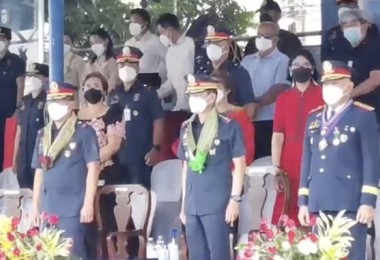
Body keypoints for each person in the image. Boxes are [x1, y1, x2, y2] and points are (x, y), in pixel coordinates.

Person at [298, 60, 380, 260]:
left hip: (350, 202)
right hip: (320, 201)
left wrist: (367, 202)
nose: (329, 89)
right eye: (326, 84)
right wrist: (303, 202)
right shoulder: (314, 118)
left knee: (349, 255)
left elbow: (372, 162)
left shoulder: (362, 115)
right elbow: (307, 161)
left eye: (335, 84)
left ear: (349, 86)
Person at [178, 74, 246, 260]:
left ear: (211, 97)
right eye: (190, 95)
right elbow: (185, 168)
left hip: (217, 202)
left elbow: (240, 165)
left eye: (197, 95)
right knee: (197, 255)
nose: (193, 100)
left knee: (218, 253)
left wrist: (234, 200)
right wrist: (184, 205)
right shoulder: (186, 127)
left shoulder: (229, 126)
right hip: (193, 202)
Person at [31, 81, 100, 259]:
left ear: (71, 105)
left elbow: (93, 168)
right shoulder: (43, 135)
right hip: (49, 207)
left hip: (73, 209)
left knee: (73, 255)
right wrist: (35, 206)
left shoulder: (84, 131)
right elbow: (39, 172)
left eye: (59, 102)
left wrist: (88, 203)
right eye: (51, 102)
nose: (54, 107)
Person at [271, 50, 323, 225]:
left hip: (317, 159)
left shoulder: (324, 94)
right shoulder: (283, 99)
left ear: (313, 68)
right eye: (296, 65)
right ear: (290, 69)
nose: (301, 68)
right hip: (289, 163)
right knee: (287, 210)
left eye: (306, 65)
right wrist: (276, 169)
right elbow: (277, 137)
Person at [77, 72, 126, 258]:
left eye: (97, 85)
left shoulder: (113, 112)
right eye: (88, 85)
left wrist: (91, 163)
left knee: (105, 222)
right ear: (82, 90)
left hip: (106, 172)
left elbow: (113, 145)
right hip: (78, 175)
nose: (92, 88)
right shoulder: (74, 115)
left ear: (104, 91)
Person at [107, 46, 164, 188]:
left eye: (130, 64)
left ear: (138, 67)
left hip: (141, 154)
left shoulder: (148, 94)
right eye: (122, 64)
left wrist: (156, 148)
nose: (126, 67)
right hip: (116, 156)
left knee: (140, 193)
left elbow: (159, 120)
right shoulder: (113, 95)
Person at [322, 9, 380, 123]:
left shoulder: (375, 48)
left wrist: (347, 96)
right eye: (345, 26)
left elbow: (375, 80)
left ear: (365, 25)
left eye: (353, 24)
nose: (349, 28)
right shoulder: (340, 50)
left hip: (366, 111)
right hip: (341, 113)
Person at [242, 22, 290, 159]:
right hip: (246, 119)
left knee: (266, 160)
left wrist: (257, 104)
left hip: (269, 120)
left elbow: (280, 87)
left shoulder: (283, 60)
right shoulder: (247, 60)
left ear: (276, 39)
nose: (262, 39)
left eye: (267, 36)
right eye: (259, 35)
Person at [204, 25, 256, 120]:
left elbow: (250, 109)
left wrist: (235, 126)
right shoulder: (203, 72)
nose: (212, 46)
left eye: (218, 42)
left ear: (228, 45)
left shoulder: (238, 73)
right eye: (210, 43)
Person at [13, 63, 48, 189]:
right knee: (24, 193)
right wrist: (14, 158)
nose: (32, 80)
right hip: (23, 157)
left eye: (36, 76)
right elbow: (19, 130)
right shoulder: (24, 101)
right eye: (30, 76)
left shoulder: (48, 101)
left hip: (39, 156)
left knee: (39, 191)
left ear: (45, 79)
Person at [156, 13, 194, 111]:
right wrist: (154, 95)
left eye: (161, 32)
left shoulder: (191, 44)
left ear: (169, 30)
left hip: (196, 102)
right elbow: (172, 82)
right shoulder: (170, 52)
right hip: (180, 106)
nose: (160, 36)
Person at [0, 26, 25, 170]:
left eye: (2, 39)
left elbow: (20, 86)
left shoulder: (15, 61)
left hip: (9, 112)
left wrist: (17, 108)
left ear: (9, 42)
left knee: (7, 148)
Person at [125, 8, 167, 88]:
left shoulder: (156, 41)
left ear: (145, 23)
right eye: (132, 22)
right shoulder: (128, 43)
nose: (133, 25)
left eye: (136, 22)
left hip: (151, 80)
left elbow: (168, 62)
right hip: (133, 81)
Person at [84, 28, 119, 97]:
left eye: (96, 42)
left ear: (106, 41)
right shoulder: (90, 63)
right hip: (90, 100)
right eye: (92, 43)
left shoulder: (113, 62)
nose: (94, 45)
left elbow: (113, 84)